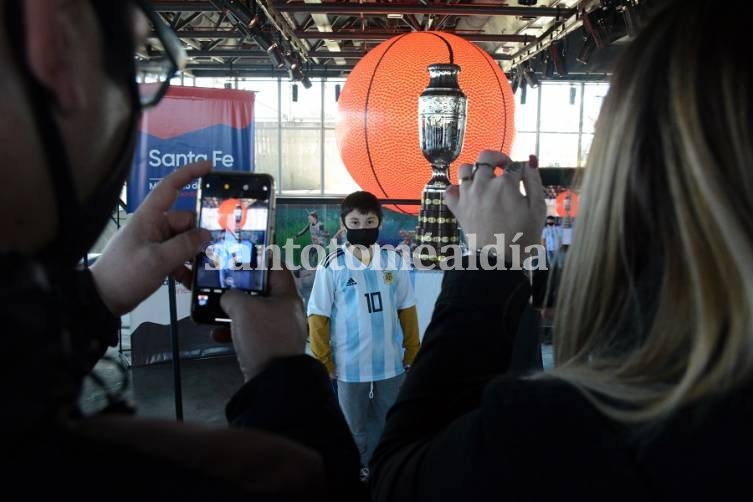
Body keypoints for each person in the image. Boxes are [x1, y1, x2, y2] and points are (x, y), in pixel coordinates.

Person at [238, 1, 753, 499]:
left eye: (600, 148)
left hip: (390, 368)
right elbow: (332, 314)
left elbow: (403, 475)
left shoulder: (577, 425)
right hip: (353, 368)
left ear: (634, 180)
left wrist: (488, 265)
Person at [1, 1, 364, 499]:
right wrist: (282, 376)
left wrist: (94, 298)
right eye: (133, 59)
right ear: (55, 37)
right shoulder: (248, 476)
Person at [307, 191, 420, 481]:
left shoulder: (393, 262)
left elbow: (407, 308)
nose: (362, 227)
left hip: (390, 363)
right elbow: (318, 315)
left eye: (369, 221)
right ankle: (357, 471)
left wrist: (412, 350)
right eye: (355, 221)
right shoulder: (331, 265)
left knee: (390, 421)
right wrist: (324, 360)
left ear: (379, 223)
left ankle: (386, 468)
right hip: (348, 365)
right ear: (344, 224)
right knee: (352, 426)